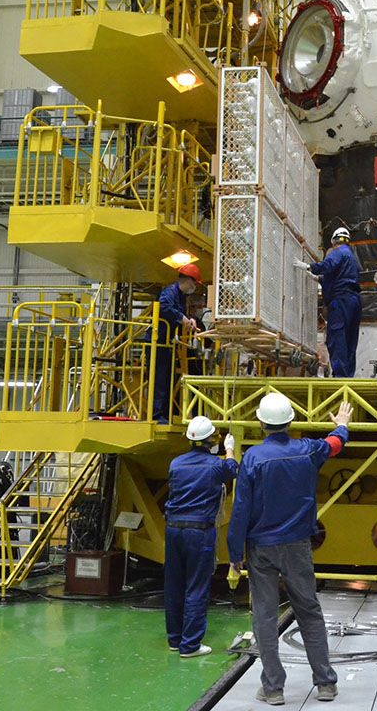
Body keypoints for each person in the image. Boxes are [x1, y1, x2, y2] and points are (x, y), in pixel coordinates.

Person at [227, 393, 352, 706]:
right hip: (297, 545)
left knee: (265, 617)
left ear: (261, 423)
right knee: (309, 611)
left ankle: (273, 689)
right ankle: (325, 684)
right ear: (290, 422)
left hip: (261, 548)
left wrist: (234, 554)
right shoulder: (307, 450)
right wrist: (342, 426)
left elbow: (240, 509)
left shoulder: (253, 458)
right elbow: (334, 445)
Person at [164, 416, 238, 658]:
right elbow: (232, 469)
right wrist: (230, 448)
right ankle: (190, 645)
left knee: (174, 586)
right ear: (212, 441)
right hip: (198, 533)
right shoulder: (215, 466)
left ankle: (175, 640)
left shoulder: (175, 463)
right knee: (196, 587)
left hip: (173, 530)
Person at [297, 227, 361, 378]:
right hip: (354, 302)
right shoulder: (351, 257)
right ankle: (347, 376)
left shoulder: (337, 252)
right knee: (350, 340)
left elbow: (328, 266)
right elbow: (339, 277)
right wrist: (316, 278)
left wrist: (309, 266)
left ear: (333, 241)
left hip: (340, 302)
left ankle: (340, 377)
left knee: (338, 338)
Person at [154, 263, 201, 423]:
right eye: (194, 283)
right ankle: (157, 416)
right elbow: (163, 306)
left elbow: (180, 312)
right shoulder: (170, 292)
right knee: (160, 379)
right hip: (157, 342)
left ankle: (165, 415)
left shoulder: (181, 296)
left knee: (169, 379)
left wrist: (190, 319)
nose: (194, 287)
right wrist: (182, 318)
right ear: (188, 280)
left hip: (168, 343)